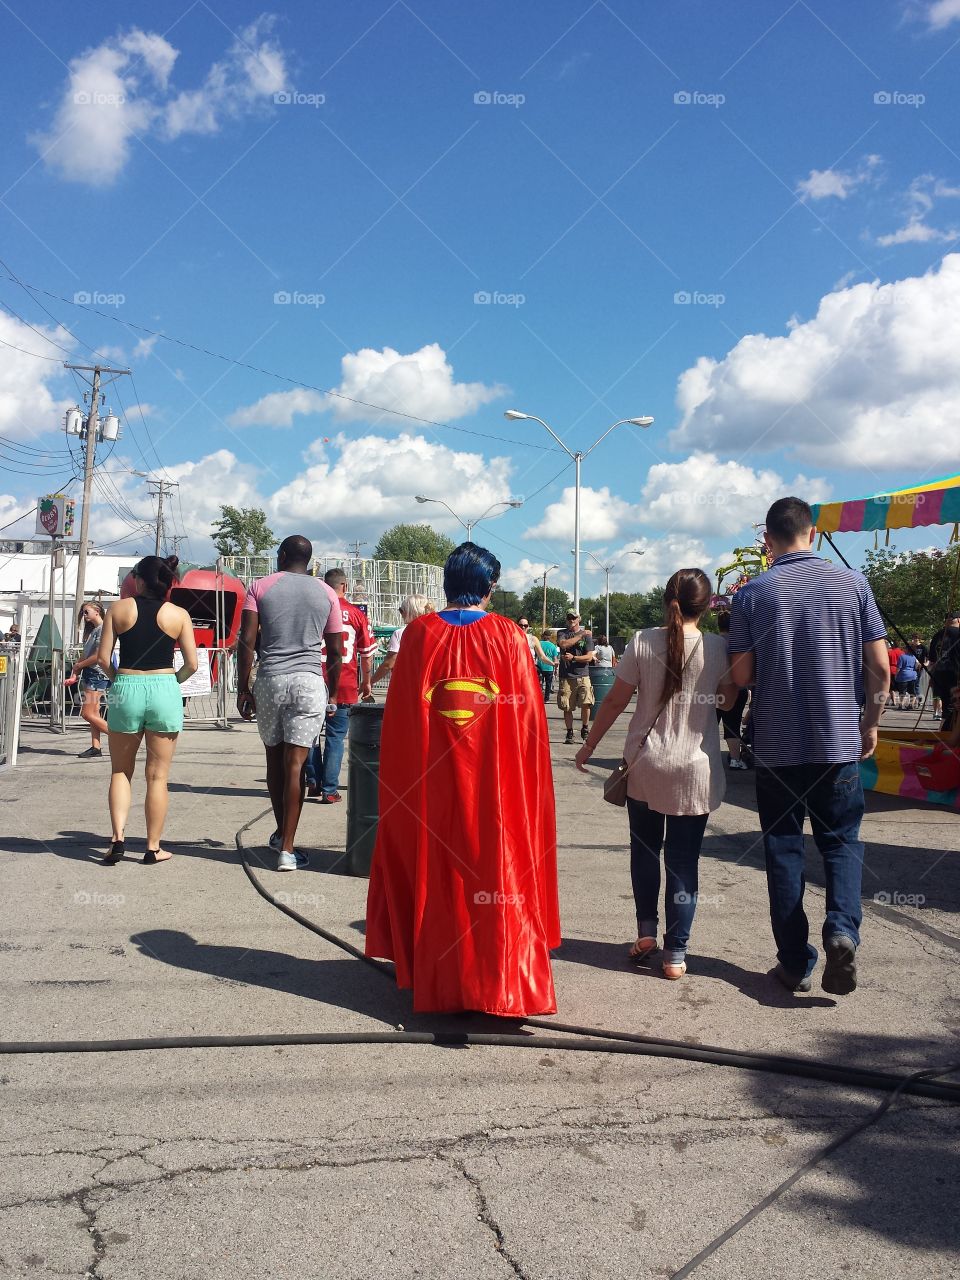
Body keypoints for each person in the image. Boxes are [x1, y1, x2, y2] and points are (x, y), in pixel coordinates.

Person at [365, 542, 560, 1015]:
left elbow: (403, 724)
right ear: (488, 588)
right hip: (495, 785)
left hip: (429, 785)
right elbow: (528, 725)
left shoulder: (418, 635)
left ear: (447, 585)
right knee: (495, 865)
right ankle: (499, 981)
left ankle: (436, 973)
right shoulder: (509, 636)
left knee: (434, 864)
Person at [728, 497, 889, 996]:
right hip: (838, 742)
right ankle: (842, 928)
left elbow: (743, 675)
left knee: (783, 850)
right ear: (813, 532)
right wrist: (871, 723)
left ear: (767, 540)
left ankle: (794, 961)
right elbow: (881, 669)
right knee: (841, 842)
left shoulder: (753, 593)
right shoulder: (853, 583)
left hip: (777, 747)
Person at [576, 570, 735, 979]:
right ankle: (675, 955)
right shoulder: (720, 647)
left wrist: (590, 745)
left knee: (644, 850)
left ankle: (646, 931)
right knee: (683, 862)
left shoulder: (643, 641)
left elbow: (614, 700)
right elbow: (729, 701)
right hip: (695, 771)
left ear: (668, 601)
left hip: (646, 764)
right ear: (709, 604)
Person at [237, 535, 343, 871]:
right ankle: (287, 849)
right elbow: (336, 651)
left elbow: (247, 641)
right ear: (310, 561)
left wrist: (244, 687)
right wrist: (335, 692)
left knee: (274, 761)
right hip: (309, 682)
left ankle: (281, 830)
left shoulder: (259, 587)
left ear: (281, 556)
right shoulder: (327, 593)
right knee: (296, 764)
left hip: (271, 679)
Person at [97, 555, 198, 866]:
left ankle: (117, 839)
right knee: (157, 777)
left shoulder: (119, 609)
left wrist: (120, 681)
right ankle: (153, 848)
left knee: (120, 771)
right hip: (164, 689)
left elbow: (103, 659)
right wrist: (171, 682)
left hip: (126, 686)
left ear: (138, 580)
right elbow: (192, 665)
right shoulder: (179, 614)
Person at [305, 568, 377, 803]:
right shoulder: (356, 614)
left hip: (315, 680)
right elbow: (366, 654)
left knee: (311, 736)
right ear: (344, 586)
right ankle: (329, 789)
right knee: (335, 738)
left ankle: (313, 780)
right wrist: (366, 682)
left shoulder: (314, 611)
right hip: (344, 683)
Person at [70, 601, 112, 759]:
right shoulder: (93, 631)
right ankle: (96, 747)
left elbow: (98, 656)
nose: (84, 614)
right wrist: (77, 667)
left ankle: (119, 737)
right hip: (91, 673)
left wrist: (80, 665)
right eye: (83, 612)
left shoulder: (103, 630)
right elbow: (87, 653)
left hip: (97, 674)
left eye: (86, 611)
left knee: (87, 713)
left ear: (97, 611)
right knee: (94, 713)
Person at [371, 595, 436, 685]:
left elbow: (389, 663)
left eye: (401, 610)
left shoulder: (400, 633)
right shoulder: (436, 632)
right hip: (431, 683)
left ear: (410, 612)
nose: (401, 614)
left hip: (407, 684)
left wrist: (369, 682)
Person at [715, 612, 750, 769]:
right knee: (733, 725)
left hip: (714, 691)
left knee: (708, 725)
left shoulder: (712, 643)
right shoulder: (739, 643)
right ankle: (735, 759)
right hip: (738, 688)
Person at [557, 610, 595, 744]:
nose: (571, 619)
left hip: (583, 675)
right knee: (566, 706)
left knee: (586, 704)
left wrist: (574, 658)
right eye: (569, 617)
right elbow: (563, 644)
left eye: (574, 617)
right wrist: (580, 634)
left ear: (579, 618)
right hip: (566, 676)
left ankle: (585, 728)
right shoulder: (562, 633)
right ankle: (570, 732)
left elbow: (589, 657)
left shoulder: (587, 636)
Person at [928, 613, 960, 721]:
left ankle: (946, 729)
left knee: (947, 707)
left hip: (939, 673)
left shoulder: (937, 634)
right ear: (959, 620)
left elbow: (932, 658)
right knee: (955, 705)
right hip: (955, 674)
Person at [894, 646, 922, 711]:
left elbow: (898, 668)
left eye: (904, 648)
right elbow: (917, 666)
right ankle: (911, 705)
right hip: (913, 675)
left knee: (902, 692)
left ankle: (901, 705)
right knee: (912, 692)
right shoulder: (914, 657)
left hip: (903, 676)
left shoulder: (902, 657)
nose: (903, 649)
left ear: (907, 649)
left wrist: (896, 675)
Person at [537, 629, 560, 701]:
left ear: (543, 636)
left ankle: (538, 697)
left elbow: (536, 655)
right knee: (548, 684)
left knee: (539, 684)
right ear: (549, 637)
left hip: (539, 666)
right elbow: (555, 659)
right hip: (549, 667)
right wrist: (556, 669)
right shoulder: (553, 646)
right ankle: (546, 698)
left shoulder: (539, 643)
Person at [886, 639, 904, 708]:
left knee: (892, 687)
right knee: (901, 688)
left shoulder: (890, 652)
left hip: (891, 670)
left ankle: (894, 701)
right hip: (900, 670)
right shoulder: (902, 653)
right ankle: (900, 702)